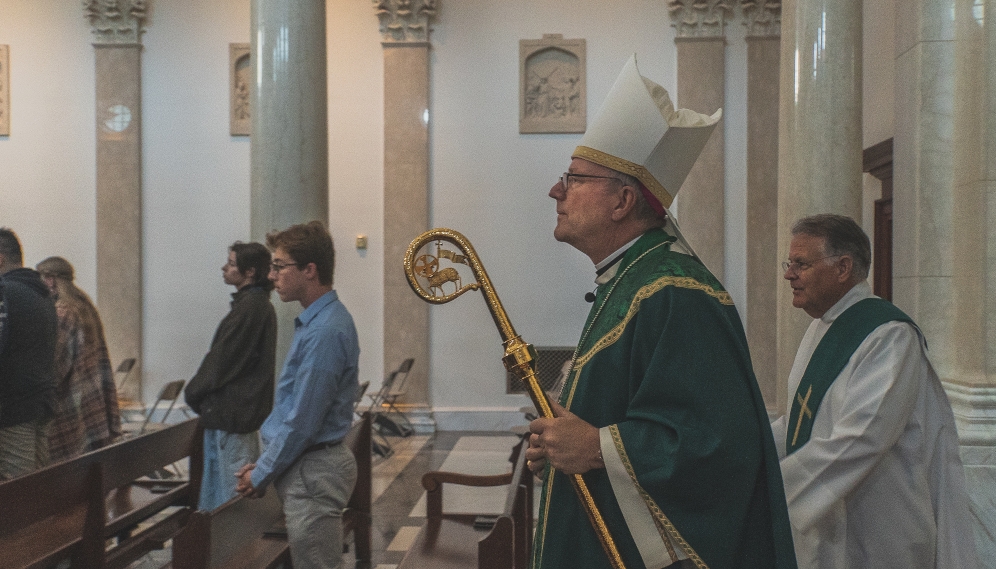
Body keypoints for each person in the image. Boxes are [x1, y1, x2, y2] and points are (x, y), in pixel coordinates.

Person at [525, 55, 796, 569]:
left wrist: (598, 448)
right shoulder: (627, 282)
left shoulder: (675, 293)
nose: (556, 190)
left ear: (623, 200)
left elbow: (720, 445)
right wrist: (560, 444)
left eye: (574, 178)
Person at [772, 214, 979, 569]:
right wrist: (749, 448)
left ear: (843, 267)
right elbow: (800, 421)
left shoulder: (888, 335)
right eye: (789, 264)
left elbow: (863, 437)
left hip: (878, 533)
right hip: (829, 523)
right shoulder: (820, 328)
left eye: (801, 264)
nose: (789, 274)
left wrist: (775, 488)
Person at [235, 221, 359, 569]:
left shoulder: (325, 331)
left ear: (309, 270)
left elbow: (303, 420)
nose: (272, 275)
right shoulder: (321, 321)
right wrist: (266, 463)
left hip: (312, 473)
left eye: (279, 266)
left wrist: (260, 474)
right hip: (307, 466)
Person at [184, 242, 277, 510]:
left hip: (233, 418)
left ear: (249, 272)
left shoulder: (251, 308)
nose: (225, 268)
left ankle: (231, 552)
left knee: (230, 501)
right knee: (219, 498)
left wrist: (193, 394)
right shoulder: (254, 305)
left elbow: (222, 361)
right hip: (231, 417)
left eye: (232, 263)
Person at [36, 256, 122, 461]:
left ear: (50, 280)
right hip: (93, 398)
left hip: (71, 403)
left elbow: (57, 364)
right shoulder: (85, 307)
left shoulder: (63, 312)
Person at [0, 228, 56, 479]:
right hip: (39, 403)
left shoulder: (6, 292)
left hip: (13, 408)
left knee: (18, 493)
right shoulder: (39, 292)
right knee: (35, 487)